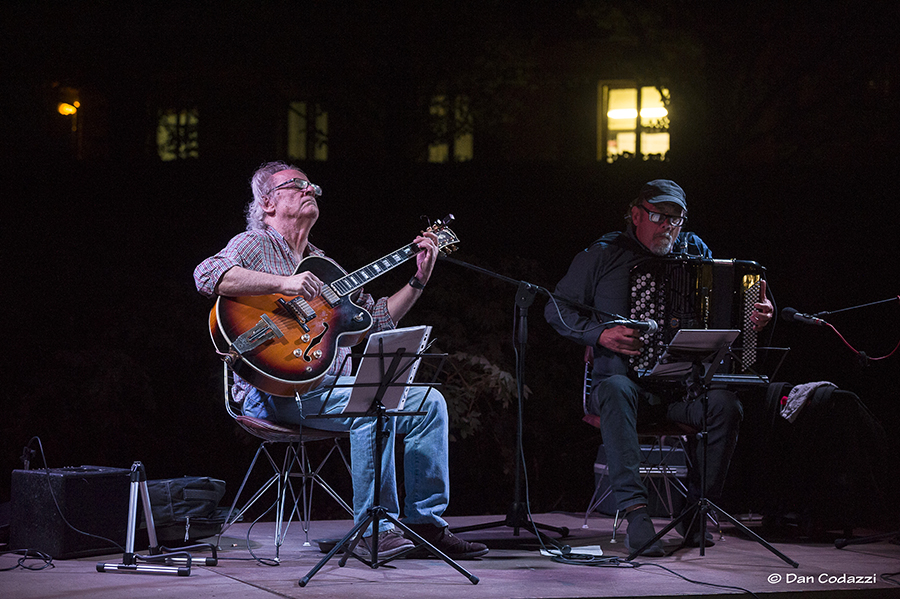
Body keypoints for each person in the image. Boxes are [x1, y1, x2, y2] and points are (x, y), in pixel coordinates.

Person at [194, 161, 488, 560]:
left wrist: (419, 279)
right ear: (267, 202)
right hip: (274, 389)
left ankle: (424, 525)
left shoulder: (323, 265)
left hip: (326, 386)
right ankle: (375, 530)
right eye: (295, 185)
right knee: (371, 405)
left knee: (429, 404)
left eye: (310, 184)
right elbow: (207, 275)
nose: (308, 188)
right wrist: (285, 284)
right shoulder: (254, 244)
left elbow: (377, 319)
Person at [544, 179, 773, 556]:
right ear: (636, 215)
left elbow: (728, 304)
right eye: (658, 216)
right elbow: (556, 308)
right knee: (617, 390)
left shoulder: (694, 249)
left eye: (675, 218)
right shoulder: (604, 254)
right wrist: (599, 335)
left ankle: (695, 511)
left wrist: (760, 314)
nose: (668, 225)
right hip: (624, 388)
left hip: (682, 390)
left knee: (725, 406)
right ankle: (637, 515)